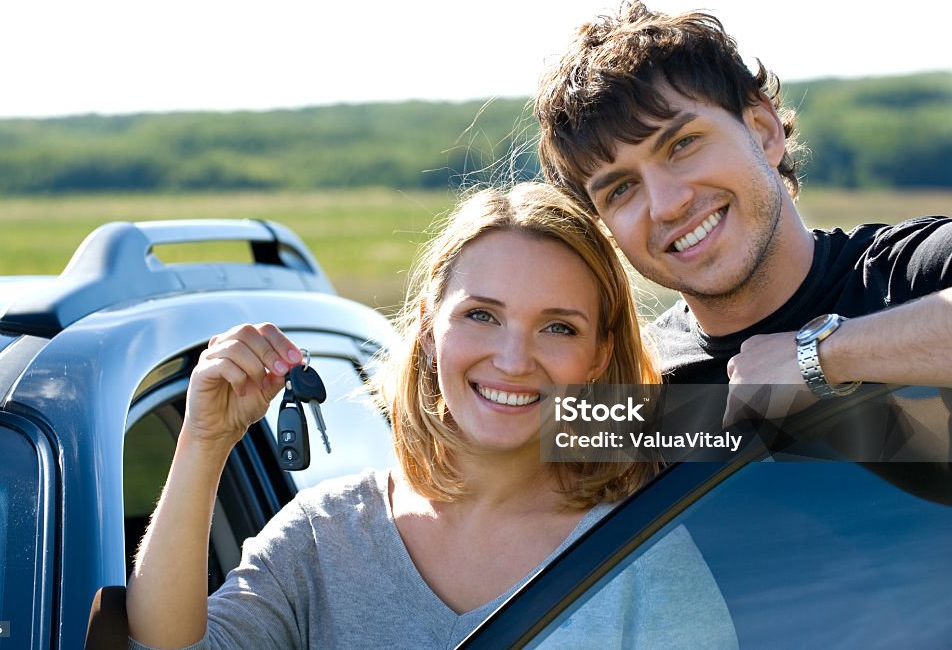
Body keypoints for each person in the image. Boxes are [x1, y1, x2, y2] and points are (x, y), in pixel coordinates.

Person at [124, 183, 738, 649]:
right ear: (426, 326)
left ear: (599, 353)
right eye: (481, 315)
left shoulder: (642, 554)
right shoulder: (325, 535)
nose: (513, 359)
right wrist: (204, 440)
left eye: (558, 327)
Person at [533, 1, 952, 392]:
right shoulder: (641, 389)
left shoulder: (912, 274)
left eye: (682, 144)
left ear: (763, 130)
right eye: (622, 188)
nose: (667, 204)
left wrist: (820, 357)